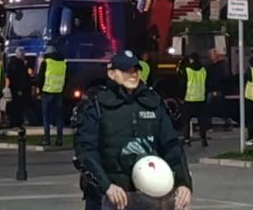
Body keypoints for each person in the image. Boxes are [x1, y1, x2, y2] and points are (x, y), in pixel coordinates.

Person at [73, 50, 192, 210]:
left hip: (148, 196)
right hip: (109, 197)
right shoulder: (96, 105)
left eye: (135, 70)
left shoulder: (152, 101)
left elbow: (172, 146)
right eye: (125, 70)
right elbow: (86, 151)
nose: (132, 75)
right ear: (111, 73)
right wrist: (107, 186)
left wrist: (184, 183)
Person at [36, 46, 67, 147]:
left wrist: (39, 90)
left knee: (46, 118)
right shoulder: (63, 63)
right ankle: (59, 140)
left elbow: (40, 78)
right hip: (58, 93)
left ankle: (47, 140)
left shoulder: (46, 62)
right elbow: (66, 79)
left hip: (47, 92)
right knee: (59, 118)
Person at [178, 53, 208, 147]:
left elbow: (183, 85)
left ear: (191, 59)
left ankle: (187, 139)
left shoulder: (187, 70)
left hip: (189, 99)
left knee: (186, 121)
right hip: (201, 99)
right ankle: (203, 139)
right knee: (202, 121)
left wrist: (181, 97)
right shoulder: (203, 70)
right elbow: (207, 84)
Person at [6, 48, 32, 129]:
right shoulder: (19, 65)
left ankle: (15, 123)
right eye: (23, 55)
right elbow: (21, 78)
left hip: (15, 89)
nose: (24, 56)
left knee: (15, 107)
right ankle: (16, 123)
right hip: (18, 90)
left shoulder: (12, 63)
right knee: (18, 108)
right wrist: (20, 89)